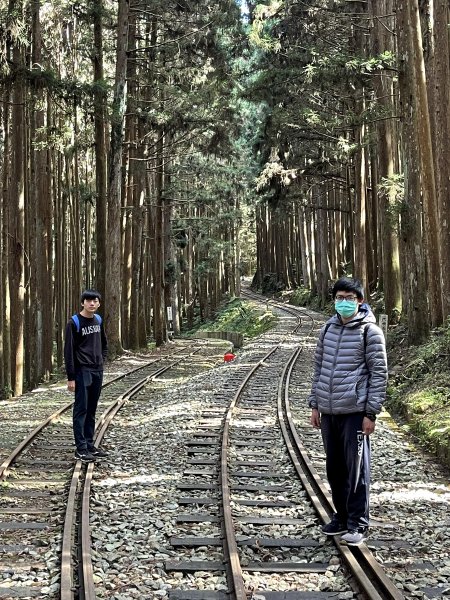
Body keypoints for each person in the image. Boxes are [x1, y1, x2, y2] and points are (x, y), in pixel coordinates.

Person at [308, 277, 388, 546]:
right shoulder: (327, 329)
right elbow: (318, 368)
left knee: (357, 470)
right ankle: (341, 518)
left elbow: (379, 374)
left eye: (350, 298)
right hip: (329, 410)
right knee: (335, 468)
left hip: (355, 410)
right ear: (334, 300)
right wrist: (315, 404)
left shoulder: (370, 332)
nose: (344, 302)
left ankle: (358, 524)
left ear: (360, 301)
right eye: (339, 297)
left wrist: (371, 412)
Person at [64, 290, 108, 463]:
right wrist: (71, 377)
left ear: (98, 304)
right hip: (82, 371)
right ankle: (80, 449)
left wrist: (101, 360)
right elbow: (68, 352)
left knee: (92, 409)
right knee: (81, 409)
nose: (92, 303)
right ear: (82, 303)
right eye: (88, 300)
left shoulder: (98, 320)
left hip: (97, 370)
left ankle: (89, 444)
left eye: (95, 301)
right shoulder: (74, 323)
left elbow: (104, 343)